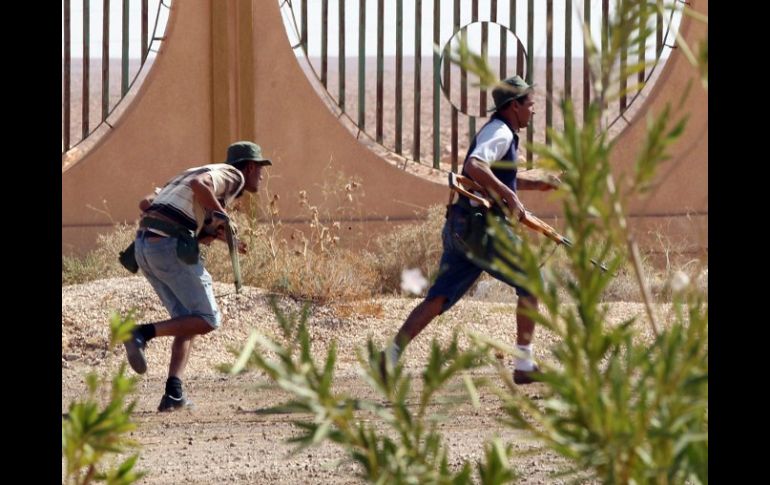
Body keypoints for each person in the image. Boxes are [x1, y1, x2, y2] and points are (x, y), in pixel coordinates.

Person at [383, 76, 559, 384]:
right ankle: (524, 363)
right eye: (530, 105)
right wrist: (511, 196)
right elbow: (475, 166)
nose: (533, 111)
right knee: (533, 280)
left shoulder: (500, 133)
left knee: (437, 299)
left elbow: (495, 176)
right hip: (482, 229)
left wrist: (535, 185)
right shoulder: (501, 132)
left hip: (461, 227)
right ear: (514, 106)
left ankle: (390, 357)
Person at [123, 141, 271, 411]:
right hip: (166, 247)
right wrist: (224, 218)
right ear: (249, 167)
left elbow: (146, 203)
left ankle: (174, 393)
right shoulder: (232, 176)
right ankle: (140, 333)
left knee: (188, 321)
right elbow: (200, 186)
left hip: (144, 248)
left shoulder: (190, 173)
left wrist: (216, 233)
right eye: (260, 169)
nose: (261, 175)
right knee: (207, 319)